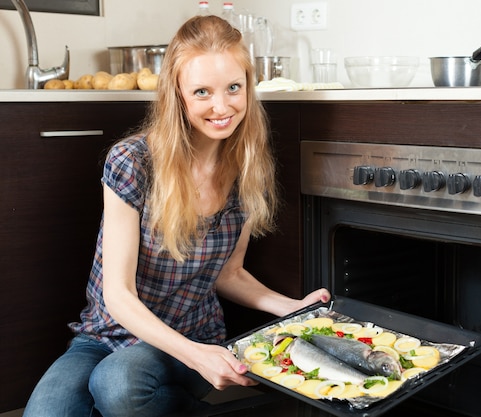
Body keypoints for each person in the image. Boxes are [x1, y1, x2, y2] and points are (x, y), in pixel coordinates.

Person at [23, 15, 330, 417]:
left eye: (234, 88)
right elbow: (116, 295)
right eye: (202, 91)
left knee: (117, 387)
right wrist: (197, 357)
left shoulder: (247, 168)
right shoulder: (133, 162)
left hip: (194, 334)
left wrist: (288, 307)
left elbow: (228, 273)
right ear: (177, 94)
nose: (222, 107)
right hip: (106, 332)